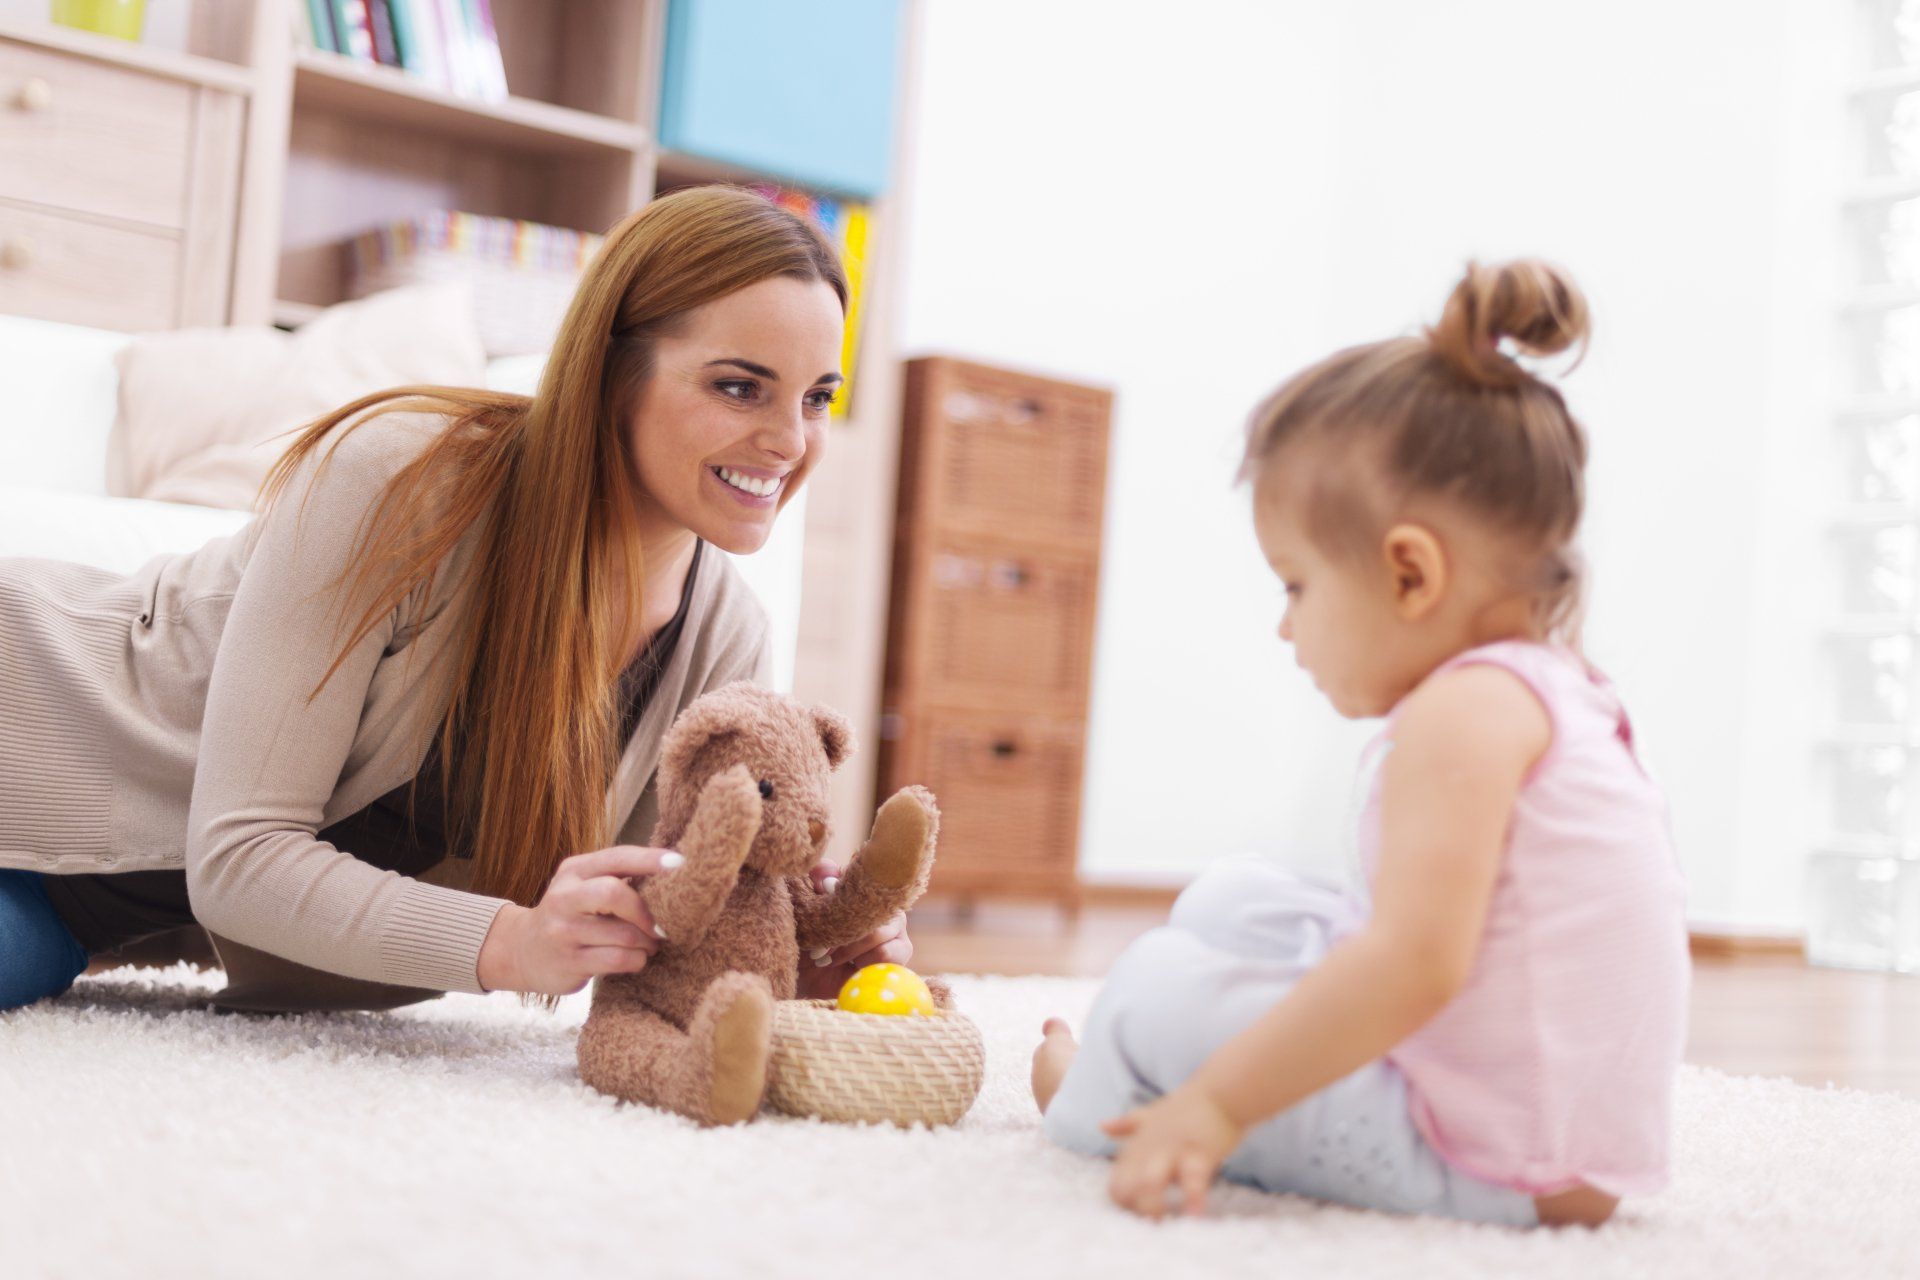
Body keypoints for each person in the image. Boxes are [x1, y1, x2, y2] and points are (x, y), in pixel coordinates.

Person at [0, 186, 912, 1014]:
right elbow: (242, 857)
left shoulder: (725, 647)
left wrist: (795, 960)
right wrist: (509, 942)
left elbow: (651, 921)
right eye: (739, 386)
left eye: (818, 397)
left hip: (70, 911)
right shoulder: (402, 483)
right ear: (609, 373)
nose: (789, 440)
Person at [1031, 260, 1688, 1228]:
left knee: (1150, 991)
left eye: (1295, 584)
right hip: (1531, 1119)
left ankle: (1098, 1098)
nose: (1285, 626)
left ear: (1410, 573)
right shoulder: (1549, 685)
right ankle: (1154, 1068)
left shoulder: (1460, 714)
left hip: (1489, 1154)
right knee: (1235, 896)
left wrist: (1216, 1101)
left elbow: (1415, 966)